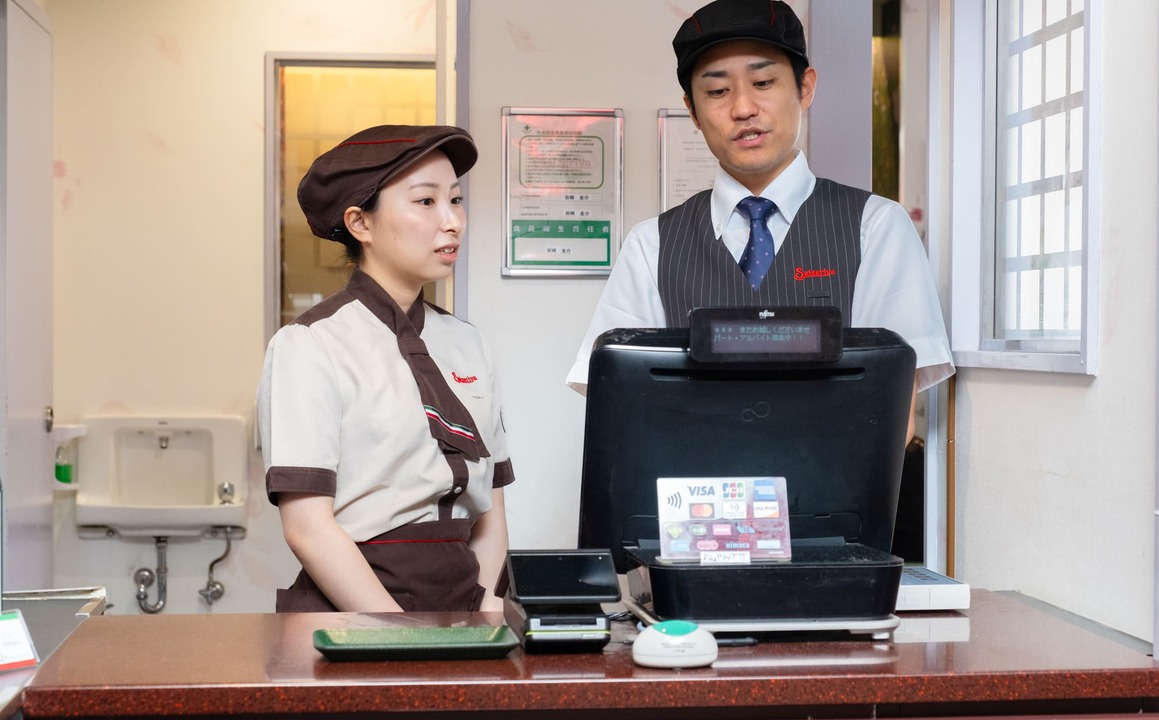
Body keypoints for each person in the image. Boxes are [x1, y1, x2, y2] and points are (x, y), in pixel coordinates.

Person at [566, 0, 954, 442]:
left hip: (832, 485)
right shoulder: (651, 245)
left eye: (763, 82)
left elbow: (893, 408)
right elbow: (619, 399)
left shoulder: (876, 227)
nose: (743, 108)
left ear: (805, 88)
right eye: (717, 91)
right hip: (687, 484)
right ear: (692, 110)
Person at [258, 125, 513, 613]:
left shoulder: (469, 343)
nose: (452, 222)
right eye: (426, 201)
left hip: (462, 610)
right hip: (353, 618)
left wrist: (485, 616)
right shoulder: (310, 344)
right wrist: (399, 635)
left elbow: (491, 510)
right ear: (360, 223)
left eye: (456, 200)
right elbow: (307, 528)